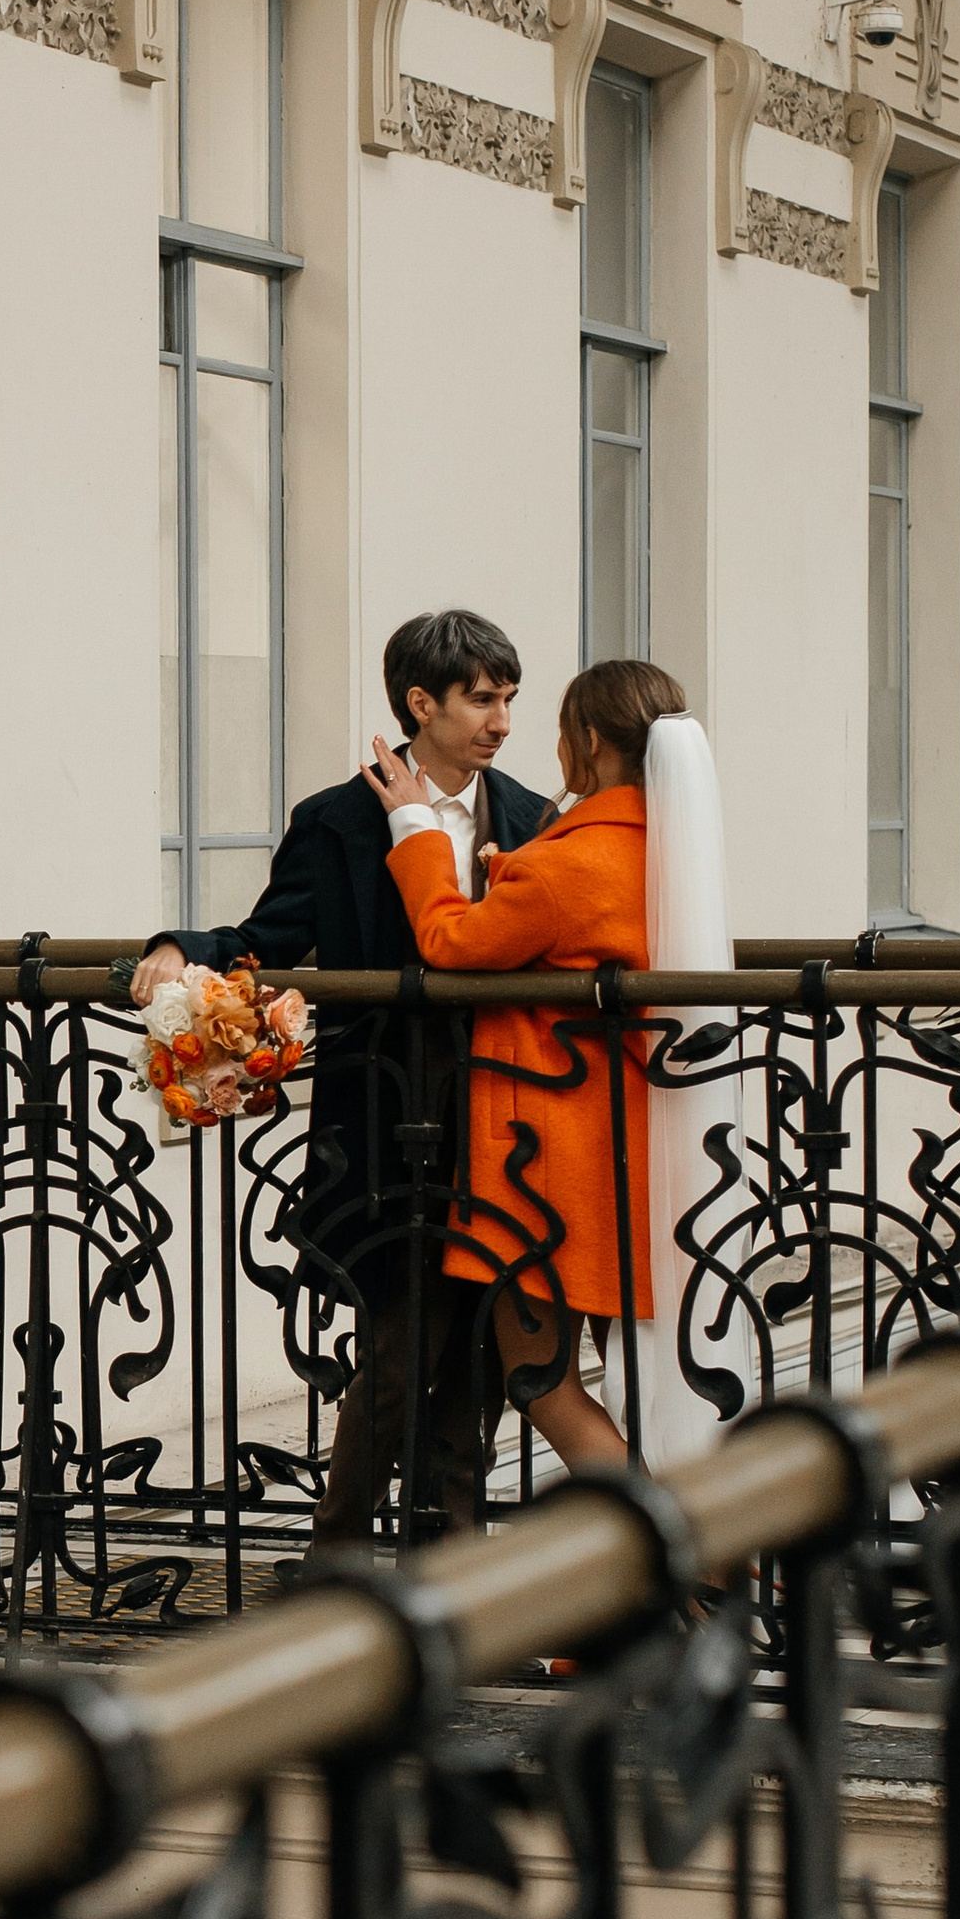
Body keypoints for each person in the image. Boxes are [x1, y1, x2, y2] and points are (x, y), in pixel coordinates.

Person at [132, 608, 554, 1545]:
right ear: (421, 703)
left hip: (503, 1120)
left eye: (508, 699)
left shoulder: (532, 818)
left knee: (486, 1353)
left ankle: (452, 1559)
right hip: (387, 1126)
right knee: (402, 1350)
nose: (501, 721)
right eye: (482, 699)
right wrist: (177, 945)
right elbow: (269, 941)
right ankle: (339, 1552)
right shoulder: (336, 821)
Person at [366, 655, 689, 1475]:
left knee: (541, 1380)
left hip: (545, 1163)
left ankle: (686, 1557)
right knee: (662, 1381)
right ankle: (731, 1558)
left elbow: (448, 944)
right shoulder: (677, 854)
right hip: (648, 1146)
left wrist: (418, 832)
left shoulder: (564, 864)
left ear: (585, 739)